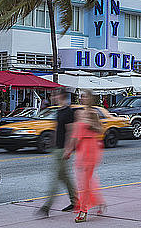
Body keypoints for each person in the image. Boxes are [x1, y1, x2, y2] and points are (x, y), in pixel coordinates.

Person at [64, 90, 105, 223]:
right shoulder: (78, 113)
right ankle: (98, 201)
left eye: (85, 96)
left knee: (85, 181)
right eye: (81, 96)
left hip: (92, 149)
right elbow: (75, 134)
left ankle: (83, 210)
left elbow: (100, 130)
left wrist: (92, 124)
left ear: (91, 99)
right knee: (83, 181)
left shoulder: (93, 113)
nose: (82, 98)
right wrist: (69, 150)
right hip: (81, 150)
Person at [38, 89, 78, 216]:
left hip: (63, 150)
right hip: (57, 149)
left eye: (54, 95)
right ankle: (75, 201)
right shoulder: (59, 110)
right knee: (64, 177)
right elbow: (58, 130)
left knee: (55, 177)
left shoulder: (68, 112)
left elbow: (71, 132)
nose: (52, 97)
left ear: (60, 96)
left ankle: (46, 206)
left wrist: (69, 149)